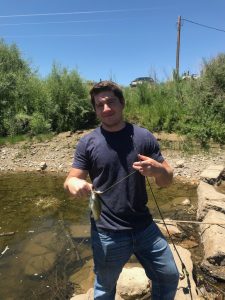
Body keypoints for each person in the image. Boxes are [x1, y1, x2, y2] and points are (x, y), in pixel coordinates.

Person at [64, 80, 179, 299]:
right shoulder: (87, 142)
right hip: (106, 232)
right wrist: (75, 184)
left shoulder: (143, 137)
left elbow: (167, 180)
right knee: (104, 288)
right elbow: (70, 180)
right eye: (100, 105)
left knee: (168, 275)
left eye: (111, 102)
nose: (106, 108)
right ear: (95, 110)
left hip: (144, 227)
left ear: (122, 103)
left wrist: (158, 171)